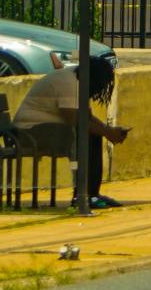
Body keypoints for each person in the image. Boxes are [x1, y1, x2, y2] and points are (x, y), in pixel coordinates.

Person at [13, 58, 129, 209]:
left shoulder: (77, 80)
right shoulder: (69, 82)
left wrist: (108, 131)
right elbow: (75, 120)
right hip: (29, 132)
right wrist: (108, 133)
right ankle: (81, 195)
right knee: (84, 136)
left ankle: (92, 193)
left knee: (93, 136)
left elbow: (87, 117)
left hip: (48, 130)